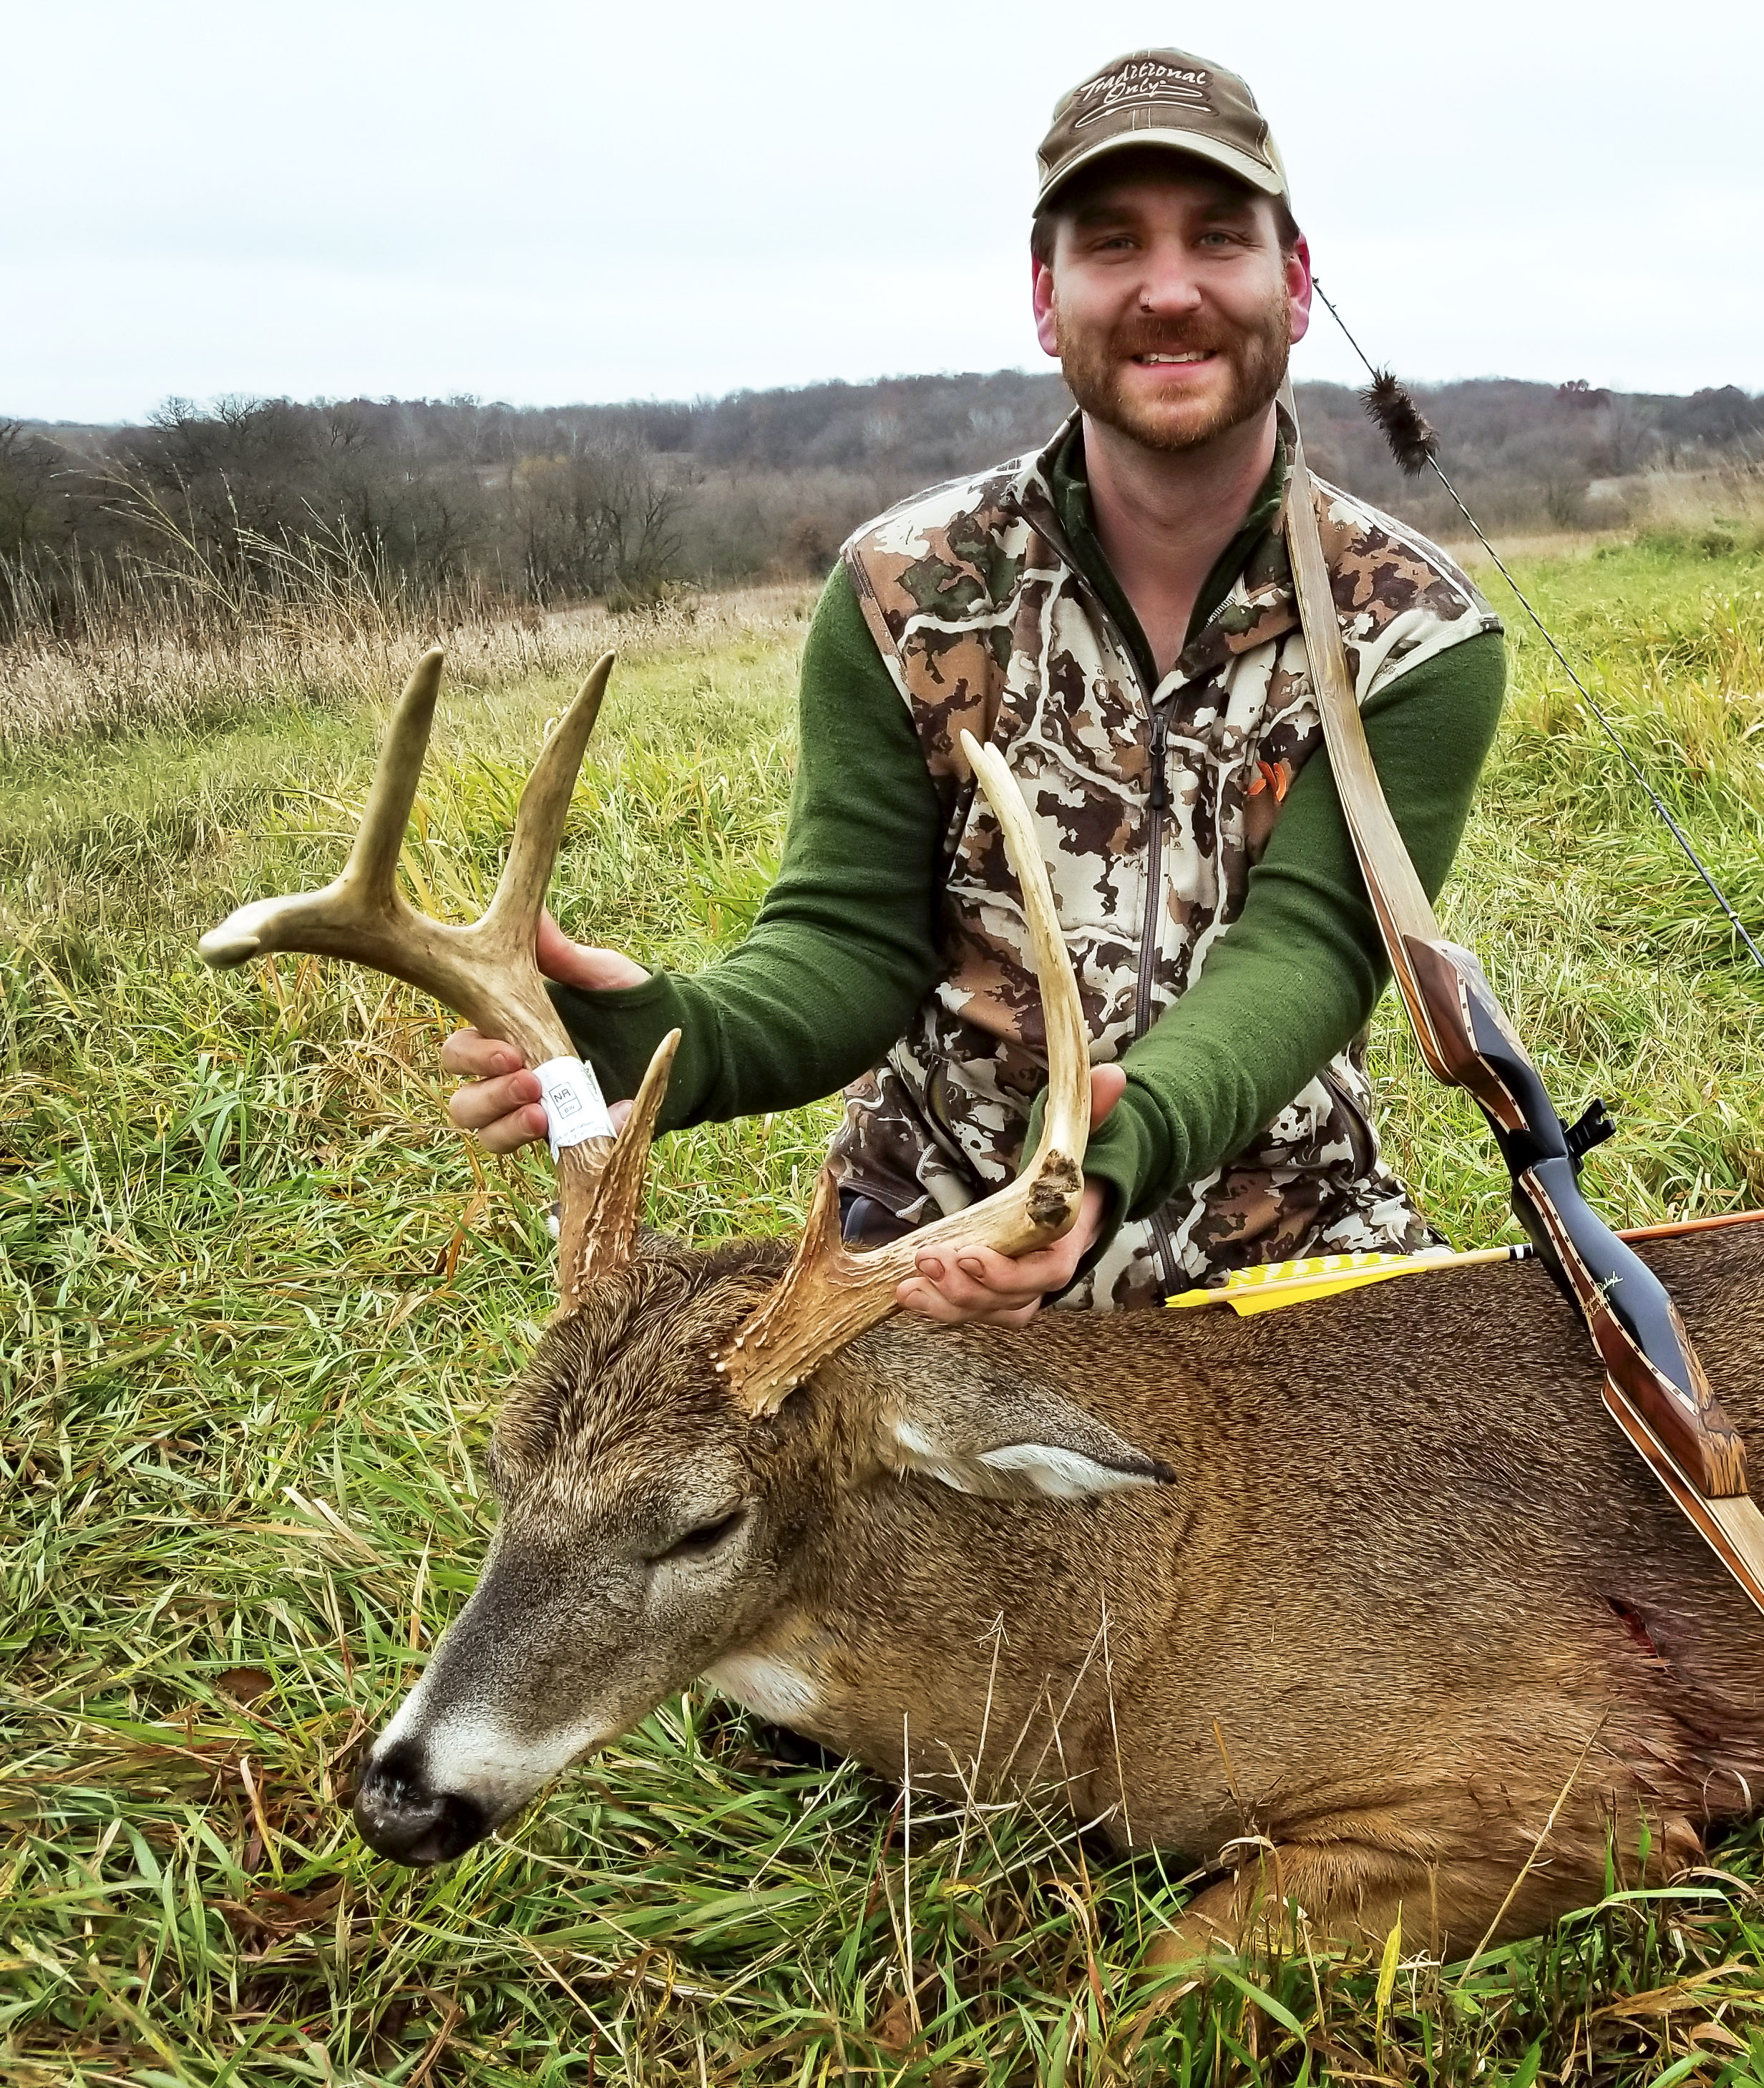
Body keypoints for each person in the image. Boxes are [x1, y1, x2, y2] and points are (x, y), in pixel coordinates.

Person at [439, 49, 1505, 1322]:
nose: (1169, 290)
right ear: (1049, 301)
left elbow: (1311, 950)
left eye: (1217, 237)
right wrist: (676, 1036)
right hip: (934, 1252)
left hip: (1287, 1234)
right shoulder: (903, 592)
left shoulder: (1418, 631)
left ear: (1294, 279)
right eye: (1113, 246)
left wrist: (1098, 1169)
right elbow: (851, 941)